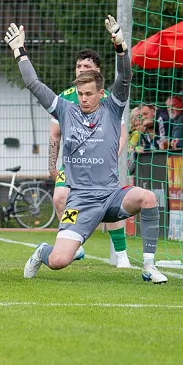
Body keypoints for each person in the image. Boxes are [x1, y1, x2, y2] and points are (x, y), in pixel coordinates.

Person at [7, 18, 166, 284]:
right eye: (80, 93)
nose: (83, 98)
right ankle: (42, 252)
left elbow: (125, 76)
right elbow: (34, 84)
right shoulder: (65, 110)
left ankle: (149, 266)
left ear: (100, 92)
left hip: (113, 195)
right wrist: (19, 51)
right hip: (80, 202)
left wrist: (120, 46)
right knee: (59, 262)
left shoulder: (113, 108)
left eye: (89, 93)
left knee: (147, 197)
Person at [50, 49, 129, 268]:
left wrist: (109, 157)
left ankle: (120, 252)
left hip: (102, 164)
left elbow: (122, 135)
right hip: (73, 163)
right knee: (59, 198)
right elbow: (55, 135)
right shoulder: (65, 97)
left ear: (97, 71)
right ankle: (74, 244)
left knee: (111, 202)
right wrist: (52, 166)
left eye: (86, 67)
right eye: (78, 67)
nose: (82, 70)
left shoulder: (109, 100)